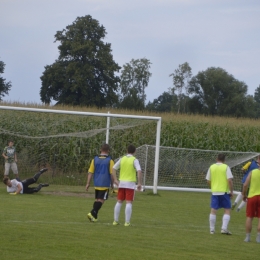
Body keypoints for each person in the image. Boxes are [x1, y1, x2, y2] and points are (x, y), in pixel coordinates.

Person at [112, 144, 142, 227]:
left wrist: (115, 179)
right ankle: (127, 222)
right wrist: (139, 183)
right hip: (130, 184)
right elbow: (139, 171)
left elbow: (113, 168)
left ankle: (115, 221)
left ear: (127, 150)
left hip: (121, 183)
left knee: (119, 201)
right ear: (135, 151)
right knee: (129, 202)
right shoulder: (134, 160)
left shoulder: (122, 159)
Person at [86, 143, 115, 222]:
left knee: (97, 199)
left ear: (100, 150)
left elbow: (90, 172)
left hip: (97, 183)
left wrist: (88, 183)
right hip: (104, 183)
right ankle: (92, 212)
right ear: (108, 151)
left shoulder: (94, 159)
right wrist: (112, 184)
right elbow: (112, 174)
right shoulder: (110, 160)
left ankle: (94, 217)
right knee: (102, 200)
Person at [206, 153, 234, 235]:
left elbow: (208, 180)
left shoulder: (211, 167)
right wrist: (231, 191)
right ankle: (224, 228)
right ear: (224, 160)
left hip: (215, 192)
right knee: (227, 209)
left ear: (216, 158)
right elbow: (229, 180)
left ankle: (212, 230)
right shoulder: (226, 167)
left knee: (213, 210)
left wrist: (213, 187)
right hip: (224, 192)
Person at [242, 166, 260, 243]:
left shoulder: (253, 172)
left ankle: (248, 237)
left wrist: (244, 194)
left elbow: (245, 185)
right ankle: (258, 237)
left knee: (249, 217)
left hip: (252, 196)